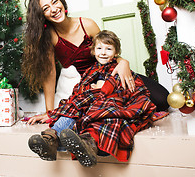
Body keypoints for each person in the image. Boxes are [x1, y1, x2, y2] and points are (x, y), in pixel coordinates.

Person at [28, 30, 157, 167]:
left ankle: (88, 144)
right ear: (93, 51)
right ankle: (51, 139)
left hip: (110, 100)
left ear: (116, 53)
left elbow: (128, 88)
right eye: (99, 48)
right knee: (73, 106)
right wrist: (90, 89)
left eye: (108, 49)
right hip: (89, 100)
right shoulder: (90, 70)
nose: (103, 52)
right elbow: (79, 89)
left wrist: (105, 87)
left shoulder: (118, 68)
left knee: (107, 112)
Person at [22, 0, 139, 126]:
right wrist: (49, 111)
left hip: (105, 76)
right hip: (82, 87)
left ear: (61, 1)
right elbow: (49, 73)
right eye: (45, 8)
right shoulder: (50, 37)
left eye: (55, 2)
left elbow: (109, 51)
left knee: (159, 98)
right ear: (41, 16)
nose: (53, 9)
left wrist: (124, 63)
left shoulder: (88, 25)